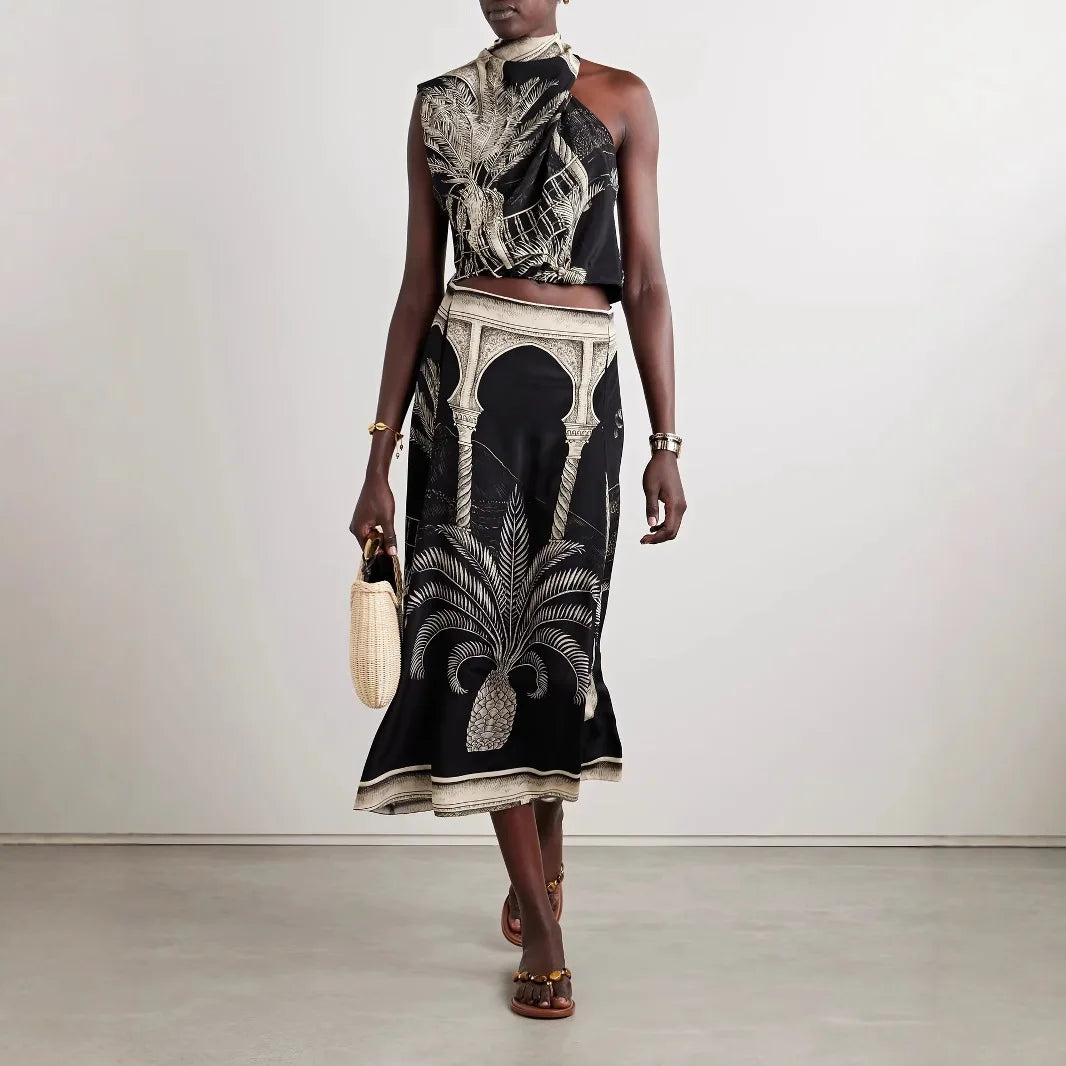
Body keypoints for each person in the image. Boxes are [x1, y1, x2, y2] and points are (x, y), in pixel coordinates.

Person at [350, 0, 686, 1019]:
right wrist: (377, 458)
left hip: (581, 388)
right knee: (477, 631)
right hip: (465, 384)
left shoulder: (620, 97)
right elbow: (418, 282)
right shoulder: (440, 104)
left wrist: (668, 442)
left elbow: (647, 282)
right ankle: (542, 921)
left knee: (558, 633)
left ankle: (543, 839)